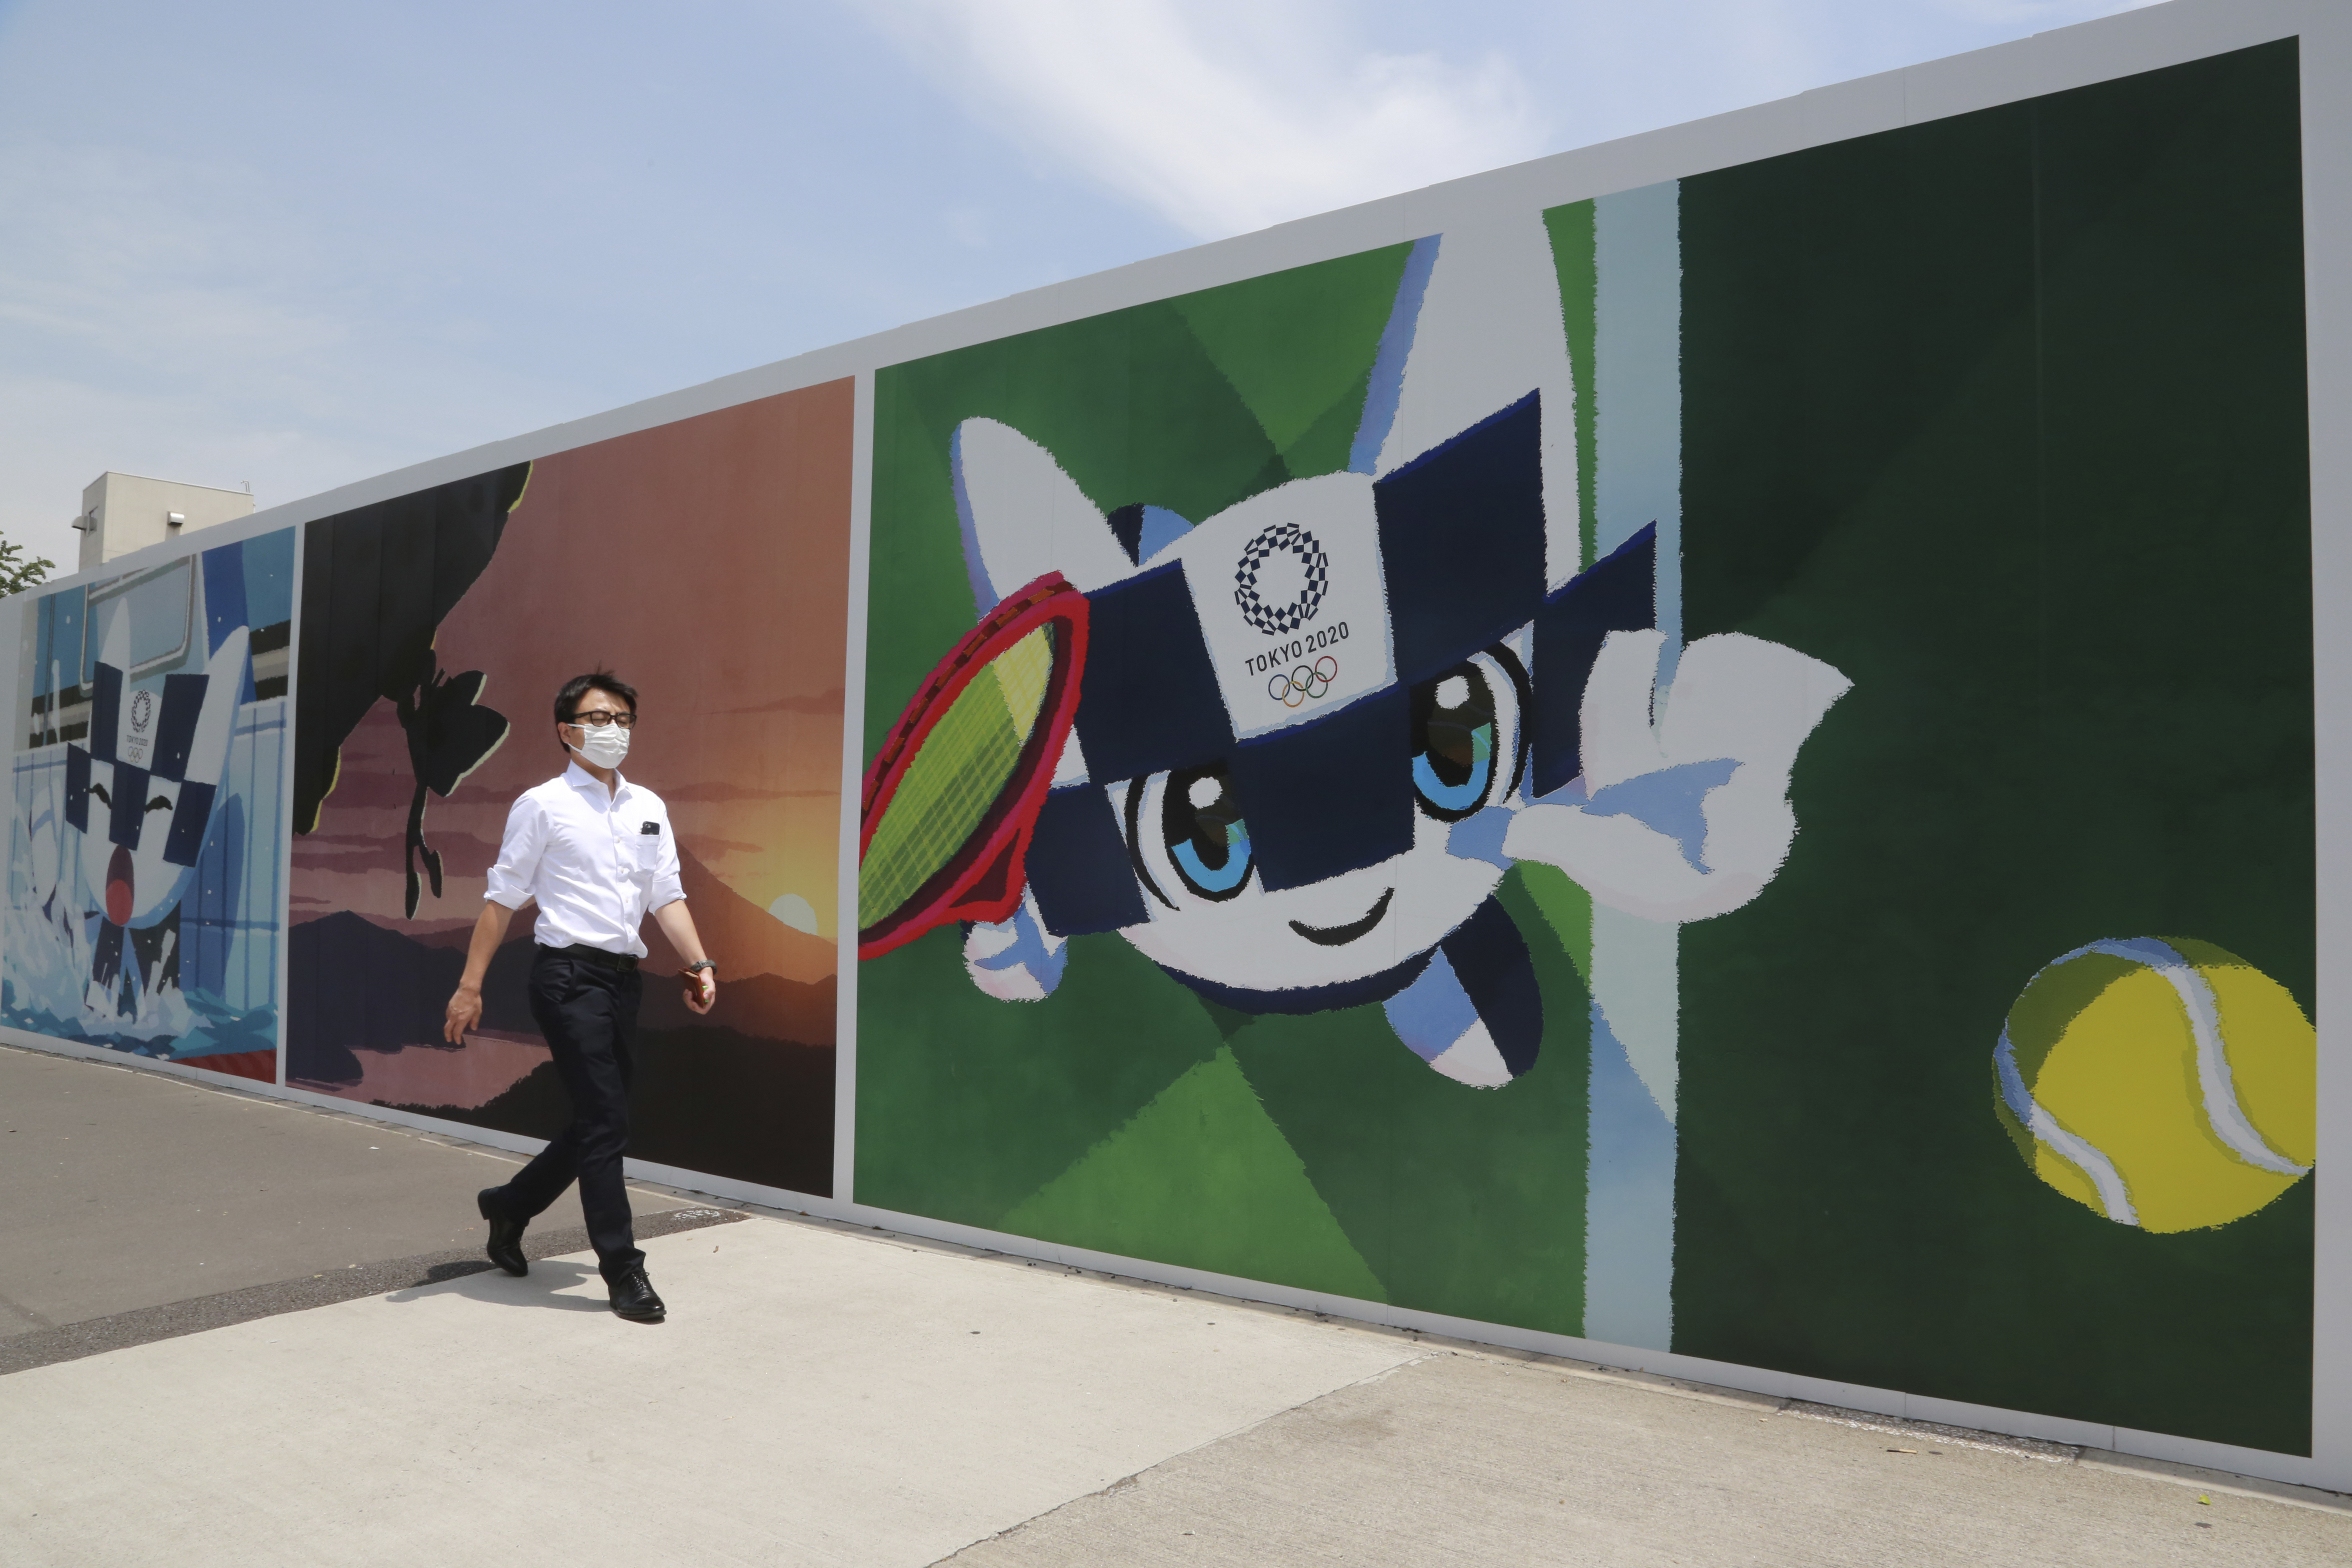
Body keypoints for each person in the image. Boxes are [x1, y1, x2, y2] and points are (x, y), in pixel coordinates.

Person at [442, 671, 717, 1322]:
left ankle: (510, 1206)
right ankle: (624, 1270)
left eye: (623, 718)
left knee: (605, 1120)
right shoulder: (543, 805)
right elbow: (502, 898)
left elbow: (666, 895)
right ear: (567, 731)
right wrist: (469, 985)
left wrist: (699, 962)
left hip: (622, 981)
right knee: (604, 1125)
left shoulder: (649, 806)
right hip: (566, 978)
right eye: (598, 719)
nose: (613, 730)